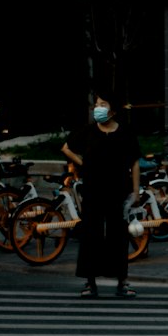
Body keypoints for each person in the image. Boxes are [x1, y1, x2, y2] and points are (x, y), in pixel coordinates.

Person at [62, 90, 140, 298]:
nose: (98, 108)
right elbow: (66, 148)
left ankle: (122, 281)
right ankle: (90, 282)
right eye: (97, 104)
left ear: (113, 111)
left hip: (119, 189)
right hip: (94, 189)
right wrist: (84, 165)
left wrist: (135, 190)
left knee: (118, 235)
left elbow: (134, 162)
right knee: (91, 234)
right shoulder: (88, 132)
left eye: (103, 104)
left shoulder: (125, 132)